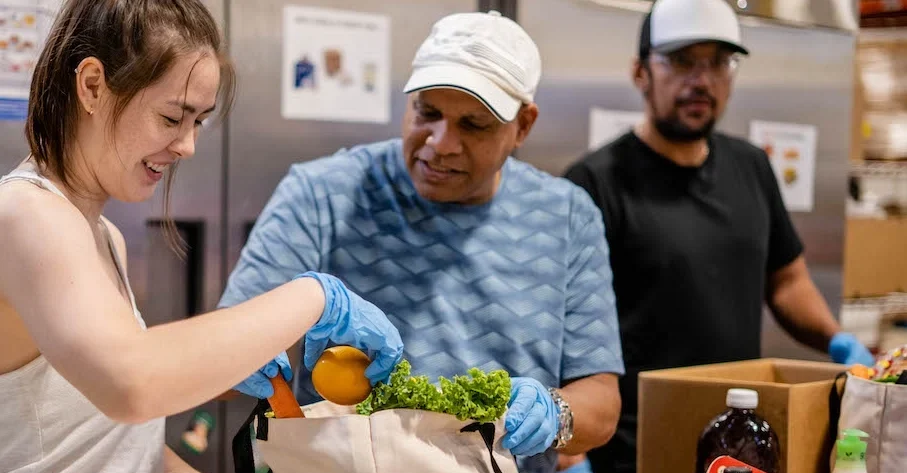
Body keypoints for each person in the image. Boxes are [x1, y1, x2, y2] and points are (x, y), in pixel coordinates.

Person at [0, 1, 402, 472]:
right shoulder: (26, 213)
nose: (187, 145)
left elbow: (115, 447)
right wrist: (314, 296)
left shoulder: (105, 237)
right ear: (92, 86)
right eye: (172, 118)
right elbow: (132, 387)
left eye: (198, 122)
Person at [219, 10, 624, 473]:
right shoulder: (322, 195)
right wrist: (242, 353)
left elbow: (602, 404)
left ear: (523, 127)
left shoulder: (567, 215)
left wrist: (557, 414)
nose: (441, 143)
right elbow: (217, 364)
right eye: (427, 113)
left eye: (473, 125)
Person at [561, 0, 875, 472]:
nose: (701, 80)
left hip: (740, 444)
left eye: (719, 62)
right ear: (640, 72)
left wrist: (837, 341)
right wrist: (572, 454)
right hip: (632, 449)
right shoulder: (594, 183)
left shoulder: (751, 166)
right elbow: (563, 327)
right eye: (683, 60)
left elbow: (787, 281)